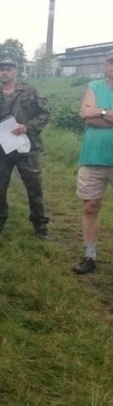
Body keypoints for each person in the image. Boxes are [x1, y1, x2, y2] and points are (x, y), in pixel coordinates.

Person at [0, 56, 51, 239]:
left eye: (8, 69)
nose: (4, 72)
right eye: (1, 69)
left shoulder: (29, 91)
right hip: (0, 148)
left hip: (25, 146)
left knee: (34, 186)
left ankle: (40, 224)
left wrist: (27, 126)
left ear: (16, 71)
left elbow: (45, 113)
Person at [72, 49, 113, 274]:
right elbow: (86, 115)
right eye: (110, 61)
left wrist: (101, 112)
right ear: (104, 65)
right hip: (94, 157)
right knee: (90, 206)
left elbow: (94, 115)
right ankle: (90, 255)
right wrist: (104, 112)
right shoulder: (94, 87)